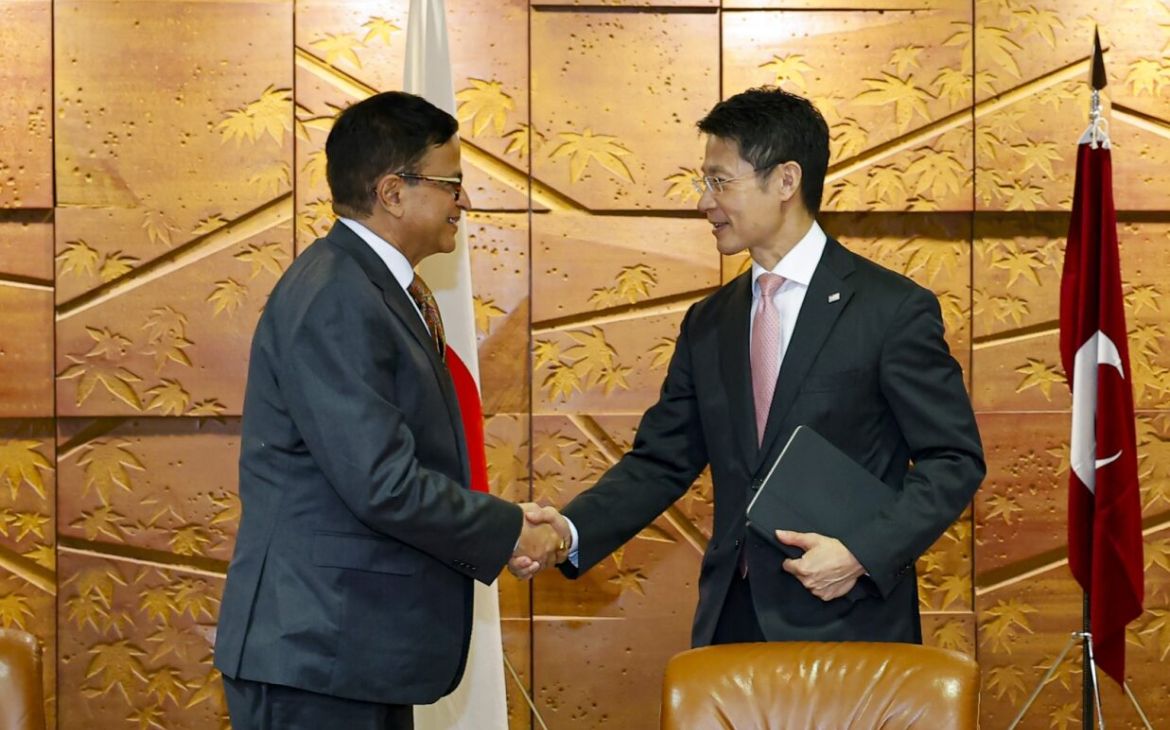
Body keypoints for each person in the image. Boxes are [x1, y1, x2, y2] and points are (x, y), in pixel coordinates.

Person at [522, 87, 985, 647]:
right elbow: (662, 461)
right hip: (731, 624)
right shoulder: (710, 322)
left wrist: (862, 552)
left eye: (720, 182)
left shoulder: (890, 309)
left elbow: (953, 459)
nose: (704, 202)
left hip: (849, 623)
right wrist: (569, 531)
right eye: (705, 183)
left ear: (786, 181)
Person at [214, 91, 564, 730]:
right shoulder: (337, 296)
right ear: (393, 192)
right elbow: (383, 483)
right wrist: (510, 528)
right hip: (316, 656)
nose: (464, 201)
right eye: (450, 184)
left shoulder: (367, 288)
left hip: (349, 650)